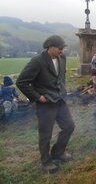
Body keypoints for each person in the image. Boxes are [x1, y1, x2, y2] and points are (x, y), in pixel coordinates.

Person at [16, 35, 75, 174]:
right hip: (46, 103)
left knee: (69, 126)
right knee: (45, 134)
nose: (62, 51)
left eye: (63, 49)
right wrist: (37, 97)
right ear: (50, 47)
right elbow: (21, 82)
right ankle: (46, 162)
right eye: (60, 49)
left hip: (60, 100)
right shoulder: (37, 61)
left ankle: (58, 153)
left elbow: (61, 76)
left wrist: (63, 89)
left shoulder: (62, 58)